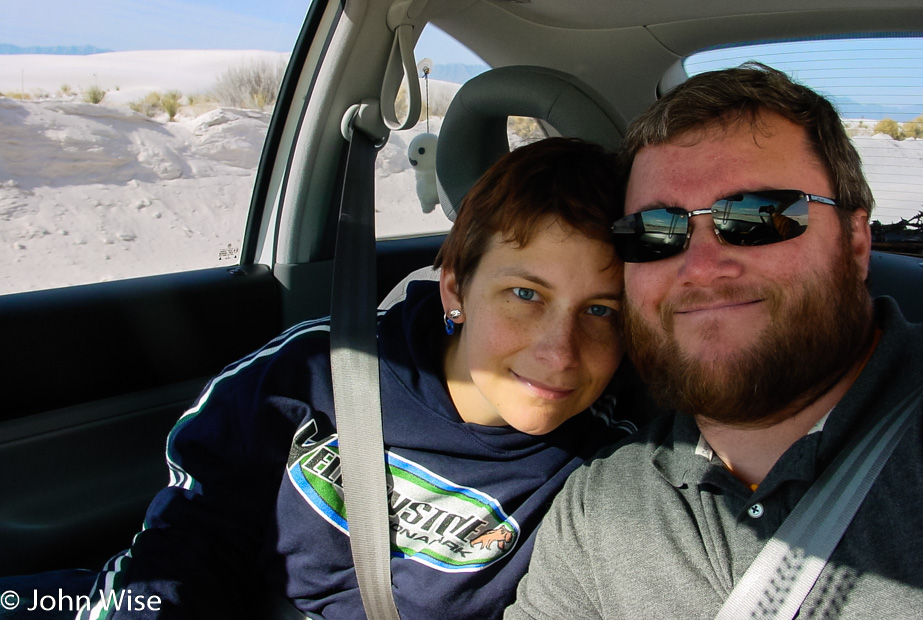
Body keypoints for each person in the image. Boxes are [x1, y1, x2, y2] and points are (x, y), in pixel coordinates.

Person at [2, 137, 651, 620]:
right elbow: (196, 533)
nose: (560, 350)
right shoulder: (322, 370)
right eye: (525, 295)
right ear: (455, 289)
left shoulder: (603, 469)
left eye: (600, 311)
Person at [506, 64, 923, 619]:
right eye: (654, 231)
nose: (701, 268)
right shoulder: (594, 508)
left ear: (856, 242)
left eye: (758, 215)